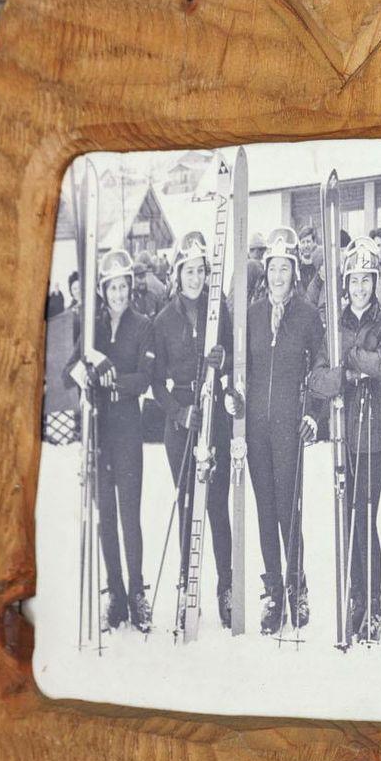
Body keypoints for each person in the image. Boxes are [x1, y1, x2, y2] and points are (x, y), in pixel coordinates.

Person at [228, 228, 324, 635]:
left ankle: (297, 586)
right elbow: (241, 370)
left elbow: (321, 368)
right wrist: (235, 398)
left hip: (289, 428)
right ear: (265, 272)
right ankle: (273, 591)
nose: (278, 276)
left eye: (285, 268)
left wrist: (314, 413)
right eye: (273, 269)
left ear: (295, 272)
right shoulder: (251, 315)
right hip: (256, 429)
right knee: (265, 511)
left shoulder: (308, 315)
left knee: (288, 510)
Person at [304, 240, 381, 641]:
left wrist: (351, 357)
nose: (360, 288)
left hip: (373, 430)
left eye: (366, 280)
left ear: (376, 282)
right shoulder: (336, 322)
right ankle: (356, 596)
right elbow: (317, 378)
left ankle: (373, 602)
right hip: (343, 431)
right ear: (345, 284)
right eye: (354, 280)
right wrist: (346, 374)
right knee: (348, 517)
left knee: (365, 515)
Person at [68, 247, 157, 633]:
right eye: (112, 288)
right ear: (103, 291)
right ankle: (116, 595)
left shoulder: (142, 324)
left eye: (123, 287)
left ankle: (137, 593)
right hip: (100, 430)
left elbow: (145, 379)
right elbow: (68, 372)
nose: (118, 294)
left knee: (129, 515)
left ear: (130, 287)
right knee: (105, 515)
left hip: (128, 429)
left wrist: (111, 377)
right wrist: (90, 365)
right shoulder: (94, 328)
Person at [151, 231, 235, 631]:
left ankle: (227, 588)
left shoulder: (218, 309)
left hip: (214, 413)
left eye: (201, 271)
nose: (196, 278)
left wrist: (224, 358)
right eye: (189, 271)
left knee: (217, 505)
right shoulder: (164, 320)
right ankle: (188, 586)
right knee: (187, 503)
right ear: (178, 273)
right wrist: (179, 413)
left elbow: (234, 358)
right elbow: (155, 383)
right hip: (182, 417)